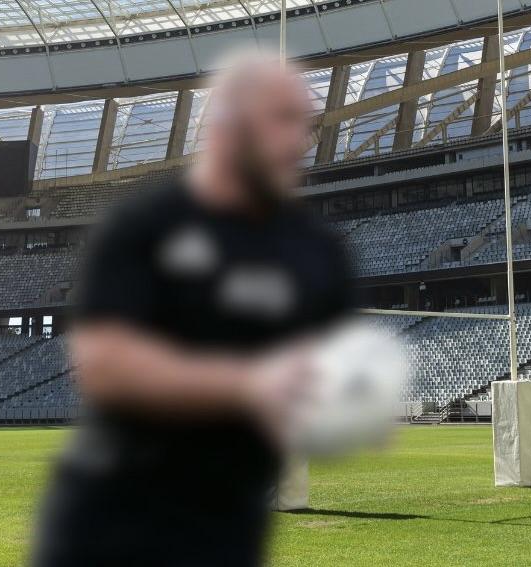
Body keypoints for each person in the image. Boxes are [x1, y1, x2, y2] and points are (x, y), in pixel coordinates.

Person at [32, 53, 351, 567]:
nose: (299, 141)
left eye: (304, 125)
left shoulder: (316, 252)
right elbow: (106, 366)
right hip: (122, 520)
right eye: (281, 120)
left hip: (229, 524)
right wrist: (247, 384)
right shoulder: (145, 224)